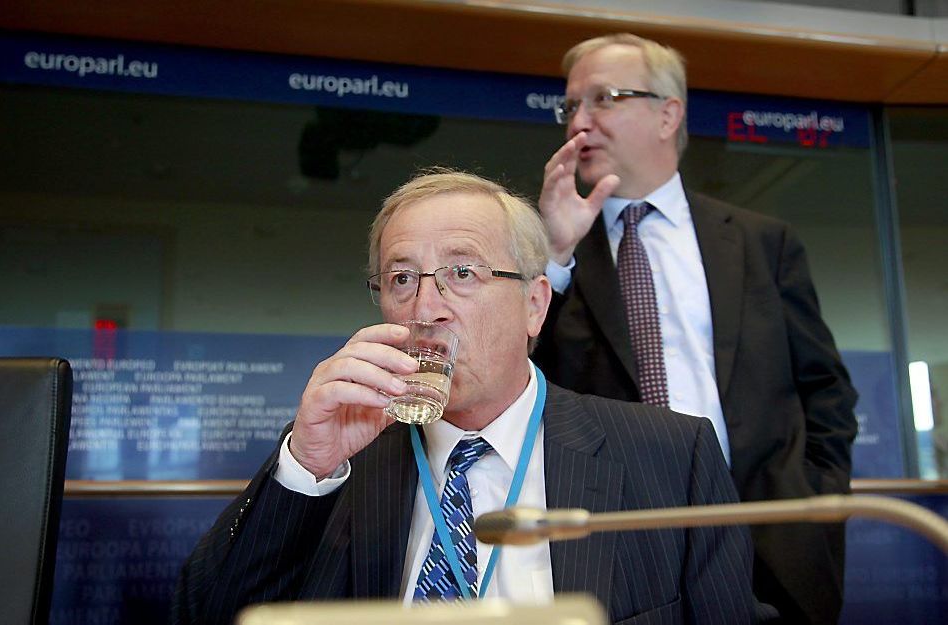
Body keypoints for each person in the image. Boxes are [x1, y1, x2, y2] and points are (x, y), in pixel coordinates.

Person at [172, 170, 753, 625]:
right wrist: (305, 467)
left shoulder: (672, 457)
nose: (426, 310)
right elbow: (212, 615)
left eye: (464, 273)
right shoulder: (342, 464)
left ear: (534, 305)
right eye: (402, 278)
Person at [531, 33, 859, 624]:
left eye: (602, 99)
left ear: (667, 113)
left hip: (772, 539)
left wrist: (816, 496)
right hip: (620, 545)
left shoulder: (761, 241)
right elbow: (518, 383)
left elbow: (826, 389)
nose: (579, 123)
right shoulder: (553, 251)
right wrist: (553, 254)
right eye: (570, 107)